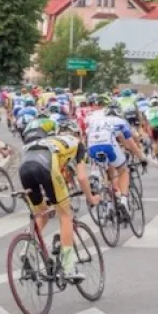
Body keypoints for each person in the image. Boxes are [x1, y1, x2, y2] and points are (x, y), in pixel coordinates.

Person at [19, 121, 99, 283]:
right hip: (46, 167)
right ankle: (69, 267)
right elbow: (82, 177)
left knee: (41, 214)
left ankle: (26, 249)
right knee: (65, 215)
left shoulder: (50, 141)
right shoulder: (78, 144)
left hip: (25, 167)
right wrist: (91, 198)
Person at [85, 102, 147, 213]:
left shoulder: (96, 121)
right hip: (108, 145)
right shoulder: (121, 121)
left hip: (93, 147)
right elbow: (130, 144)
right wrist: (142, 158)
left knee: (109, 173)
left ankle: (109, 203)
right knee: (123, 171)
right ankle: (123, 200)